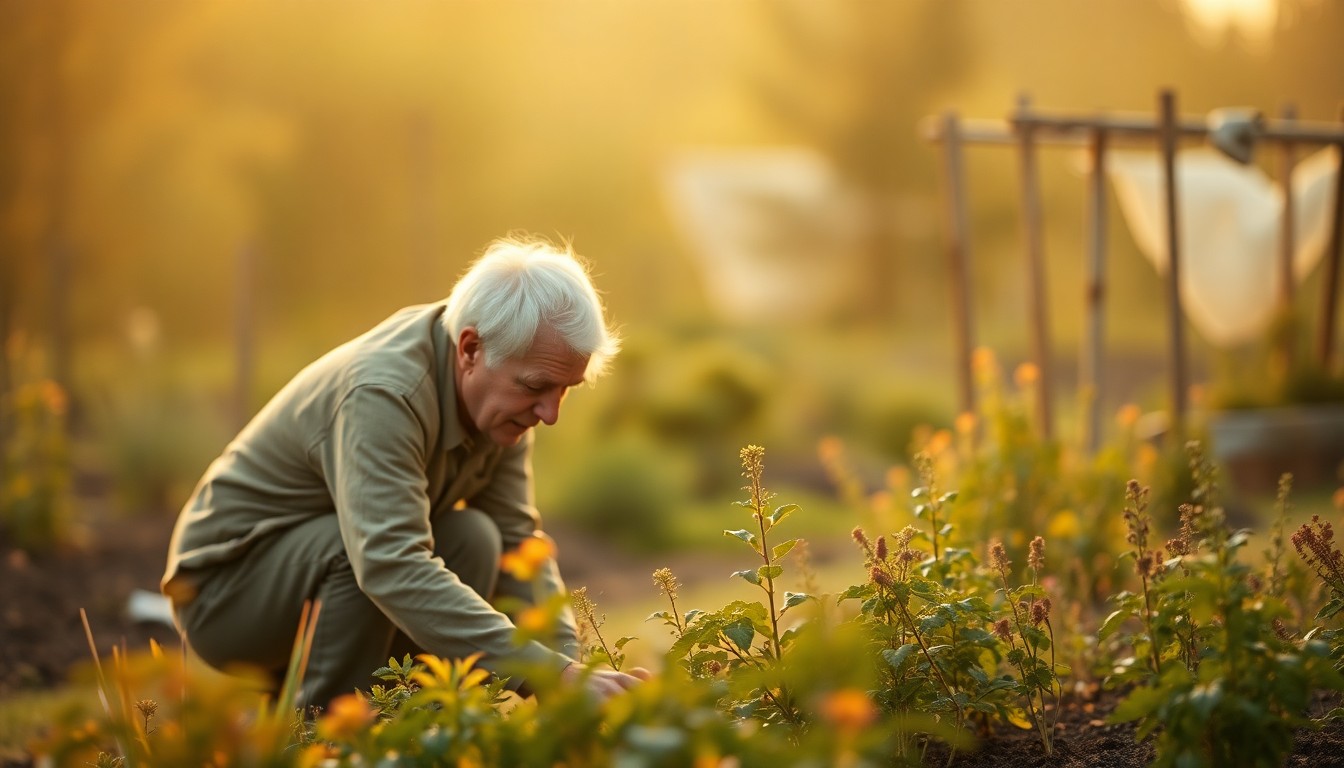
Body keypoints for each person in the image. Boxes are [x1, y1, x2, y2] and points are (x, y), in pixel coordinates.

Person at [162, 236, 645, 709]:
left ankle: (417, 719)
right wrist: (547, 674)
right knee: (363, 551)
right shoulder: (384, 395)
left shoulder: (502, 404)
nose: (550, 413)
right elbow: (387, 561)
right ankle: (326, 732)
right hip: (224, 595)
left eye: (566, 389)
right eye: (537, 386)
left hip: (316, 578)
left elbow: (518, 543)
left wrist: (572, 672)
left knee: (477, 538)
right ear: (470, 349)